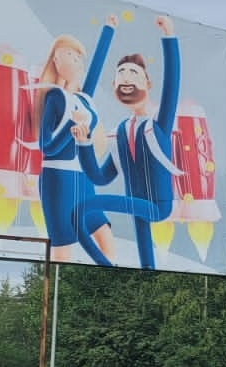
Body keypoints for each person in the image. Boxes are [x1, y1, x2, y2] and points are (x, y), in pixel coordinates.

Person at [75, 15, 182, 269]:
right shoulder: (119, 133)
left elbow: (172, 86)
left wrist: (169, 35)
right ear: (113, 84)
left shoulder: (157, 126)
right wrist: (84, 144)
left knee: (85, 207)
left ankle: (105, 262)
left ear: (147, 83)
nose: (126, 77)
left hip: (158, 206)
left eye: (133, 72)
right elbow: (100, 177)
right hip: (135, 204)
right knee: (147, 262)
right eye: (121, 73)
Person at [30, 19, 118, 263]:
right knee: (63, 247)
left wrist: (109, 30)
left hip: (84, 179)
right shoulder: (55, 98)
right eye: (68, 54)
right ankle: (55, 296)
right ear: (56, 62)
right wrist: (71, 124)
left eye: (78, 56)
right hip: (58, 180)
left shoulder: (84, 98)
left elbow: (97, 67)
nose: (76, 59)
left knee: (105, 235)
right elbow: (46, 147)